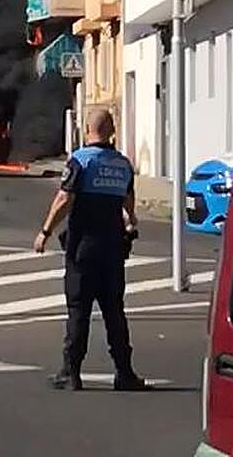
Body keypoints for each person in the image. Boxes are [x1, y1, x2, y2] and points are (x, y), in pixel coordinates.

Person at [34, 106, 145, 392]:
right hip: (113, 249)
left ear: (86, 129)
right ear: (112, 131)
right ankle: (124, 372)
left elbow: (64, 199)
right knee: (114, 311)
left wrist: (45, 231)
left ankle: (70, 372)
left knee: (78, 310)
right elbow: (129, 199)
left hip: (83, 248)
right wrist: (130, 220)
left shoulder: (79, 161)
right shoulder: (123, 164)